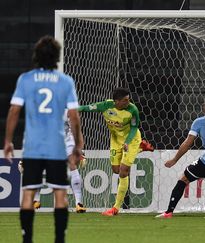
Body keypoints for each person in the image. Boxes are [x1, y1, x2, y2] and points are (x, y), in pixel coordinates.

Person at [3, 35, 83, 243]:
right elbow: (74, 116)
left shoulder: (26, 79)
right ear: (57, 57)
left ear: (36, 56)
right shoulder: (65, 81)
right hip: (57, 146)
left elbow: (14, 110)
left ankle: (27, 238)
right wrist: (78, 144)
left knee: (29, 193)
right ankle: (59, 238)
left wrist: (8, 141)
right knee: (59, 193)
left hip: (33, 147)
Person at [78, 88, 153, 216]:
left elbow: (135, 127)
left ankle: (115, 208)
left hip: (131, 139)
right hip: (115, 140)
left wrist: (128, 142)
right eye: (125, 100)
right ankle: (141, 148)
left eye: (128, 99)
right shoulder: (106, 106)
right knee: (116, 170)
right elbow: (87, 108)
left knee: (123, 172)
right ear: (116, 101)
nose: (128, 102)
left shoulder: (132, 110)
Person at [24, 111, 87, 213]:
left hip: (67, 141)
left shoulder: (67, 112)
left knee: (72, 164)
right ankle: (36, 199)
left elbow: (77, 130)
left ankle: (79, 204)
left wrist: (80, 149)